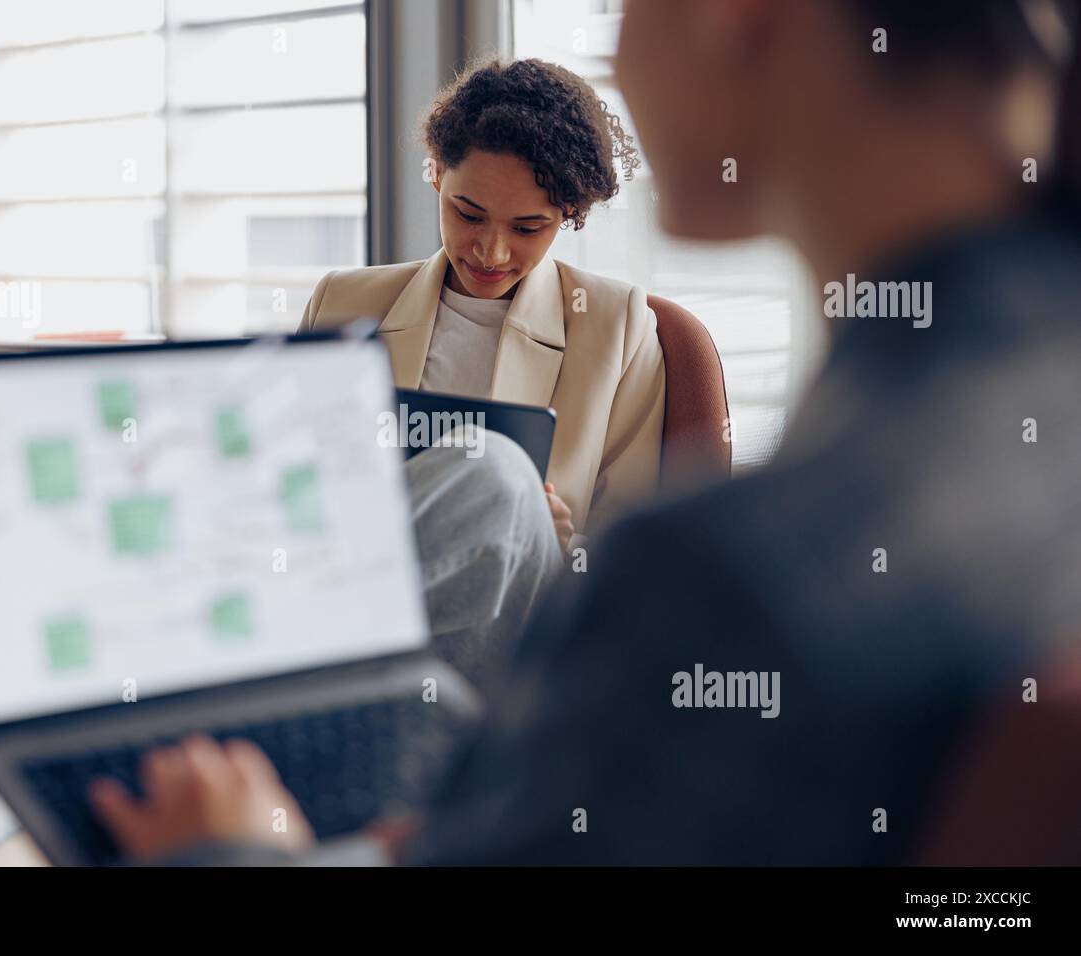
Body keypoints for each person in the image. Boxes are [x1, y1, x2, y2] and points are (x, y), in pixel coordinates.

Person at [91, 0, 1081, 864]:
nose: (490, 246)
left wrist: (225, 851)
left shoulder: (719, 570)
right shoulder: (1024, 424)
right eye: (469, 210)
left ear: (738, 12)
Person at [299, 58, 662, 548]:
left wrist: (551, 542)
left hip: (526, 615)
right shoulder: (340, 304)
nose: (491, 253)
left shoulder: (617, 327)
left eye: (527, 228)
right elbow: (291, 490)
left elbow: (634, 554)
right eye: (468, 215)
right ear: (437, 176)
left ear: (569, 213)